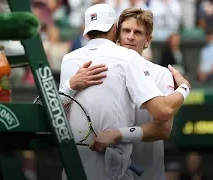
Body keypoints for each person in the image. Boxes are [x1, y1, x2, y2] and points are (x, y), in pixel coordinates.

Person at [59, 4, 190, 180]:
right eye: (126, 31)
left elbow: (163, 129)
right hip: (106, 171)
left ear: (148, 40)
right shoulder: (100, 66)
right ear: (116, 33)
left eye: (138, 33)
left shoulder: (161, 74)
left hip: (147, 173)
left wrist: (118, 135)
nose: (130, 37)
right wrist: (71, 84)